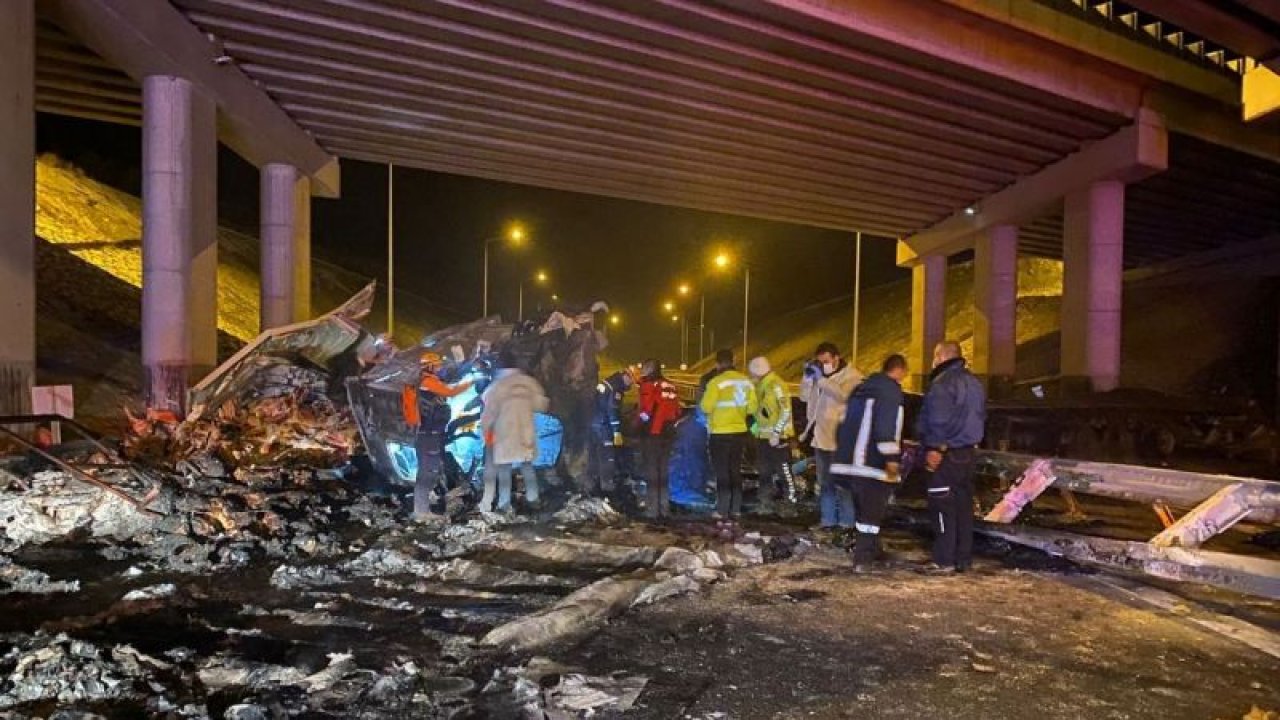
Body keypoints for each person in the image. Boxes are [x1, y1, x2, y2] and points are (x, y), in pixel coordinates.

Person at [831, 354, 907, 570]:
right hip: (871, 465)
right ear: (900, 371)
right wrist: (892, 459)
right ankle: (863, 560)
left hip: (847, 464)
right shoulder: (890, 391)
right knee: (871, 516)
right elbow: (886, 429)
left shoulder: (859, 390)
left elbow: (841, 424)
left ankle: (874, 550)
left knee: (863, 512)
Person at [918, 341, 987, 574]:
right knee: (963, 507)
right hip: (968, 452)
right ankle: (963, 558)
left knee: (942, 505)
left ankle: (943, 559)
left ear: (940, 356)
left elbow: (937, 419)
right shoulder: (975, 382)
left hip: (946, 454)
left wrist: (935, 448)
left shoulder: (942, 383)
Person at [800, 342, 862, 534]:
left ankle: (847, 523)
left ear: (836, 358)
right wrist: (808, 379)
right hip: (821, 438)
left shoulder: (852, 376)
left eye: (826, 361)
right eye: (820, 363)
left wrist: (823, 381)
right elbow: (803, 398)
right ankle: (827, 521)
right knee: (825, 483)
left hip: (840, 440)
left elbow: (844, 396)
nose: (823, 365)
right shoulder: (820, 377)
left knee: (843, 485)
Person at [404, 352, 473, 521]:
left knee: (426, 471)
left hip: (427, 432)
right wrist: (471, 382)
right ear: (430, 366)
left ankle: (421, 509)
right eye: (438, 365)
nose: (440, 368)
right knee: (428, 471)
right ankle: (421, 511)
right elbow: (451, 392)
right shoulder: (427, 382)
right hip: (429, 433)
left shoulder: (423, 382)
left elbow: (446, 386)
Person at [479, 354, 549, 513]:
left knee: (505, 468)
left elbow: (489, 412)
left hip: (505, 433)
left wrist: (485, 431)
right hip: (525, 432)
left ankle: (504, 503)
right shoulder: (528, 383)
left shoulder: (497, 386)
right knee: (527, 466)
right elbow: (541, 404)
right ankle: (533, 498)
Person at [699, 349, 758, 519]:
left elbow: (705, 407)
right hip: (739, 432)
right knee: (735, 470)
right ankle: (736, 509)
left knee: (722, 472)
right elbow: (753, 408)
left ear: (717, 364)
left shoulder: (716, 382)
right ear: (733, 361)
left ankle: (722, 510)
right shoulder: (746, 382)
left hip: (720, 433)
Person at [747, 356, 796, 513]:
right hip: (763, 438)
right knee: (764, 472)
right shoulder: (759, 386)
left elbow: (786, 410)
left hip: (778, 438)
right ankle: (765, 503)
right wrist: (756, 430)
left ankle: (790, 503)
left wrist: (776, 433)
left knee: (784, 471)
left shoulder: (776, 385)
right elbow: (759, 413)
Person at [637, 358, 682, 519]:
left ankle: (652, 510)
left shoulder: (649, 385)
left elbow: (646, 412)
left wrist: (637, 426)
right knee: (663, 471)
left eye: (643, 367)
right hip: (668, 434)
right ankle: (664, 508)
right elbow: (677, 411)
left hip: (653, 434)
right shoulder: (670, 385)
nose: (641, 371)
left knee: (652, 472)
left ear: (650, 369)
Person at [590, 369, 634, 492]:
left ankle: (594, 484)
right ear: (626, 377)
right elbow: (613, 410)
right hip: (605, 425)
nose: (630, 385)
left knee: (596, 454)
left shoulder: (607, 383)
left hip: (595, 423)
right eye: (631, 382)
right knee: (608, 455)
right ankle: (608, 487)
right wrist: (616, 431)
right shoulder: (616, 388)